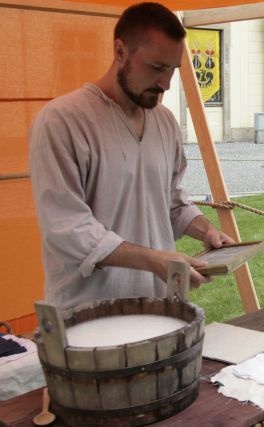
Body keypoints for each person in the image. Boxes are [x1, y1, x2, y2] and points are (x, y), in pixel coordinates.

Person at [29, 2, 234, 310]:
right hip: (89, 318)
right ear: (120, 51)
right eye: (156, 68)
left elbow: (172, 201)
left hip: (161, 309)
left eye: (172, 70)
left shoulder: (165, 122)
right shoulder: (63, 121)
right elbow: (68, 228)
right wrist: (153, 260)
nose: (165, 84)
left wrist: (207, 231)